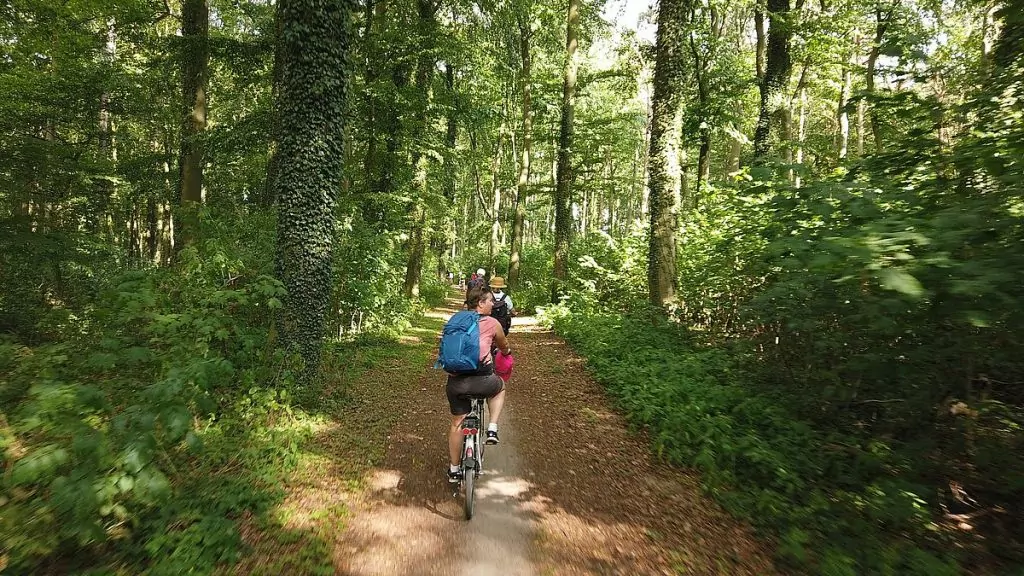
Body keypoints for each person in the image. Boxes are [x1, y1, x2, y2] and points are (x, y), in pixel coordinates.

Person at [443, 285, 511, 483]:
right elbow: (503, 346)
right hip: (483, 381)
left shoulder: (455, 320)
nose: (492, 304)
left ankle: (454, 470)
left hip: (456, 384)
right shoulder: (492, 322)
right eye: (490, 300)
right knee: (499, 387)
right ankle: (492, 428)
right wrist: (506, 354)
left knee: (457, 423)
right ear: (481, 303)